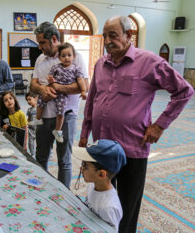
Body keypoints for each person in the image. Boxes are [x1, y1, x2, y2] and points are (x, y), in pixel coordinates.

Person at [79, 15, 194, 233]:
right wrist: (85, 131)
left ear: (129, 35)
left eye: (113, 35)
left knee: (128, 203)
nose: (107, 41)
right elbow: (92, 99)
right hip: (102, 147)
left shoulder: (150, 62)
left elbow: (184, 92)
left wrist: (159, 125)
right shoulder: (101, 64)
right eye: (105, 36)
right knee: (102, 199)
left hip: (132, 146)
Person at [30, 22, 89, 188]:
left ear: (54, 39)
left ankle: (64, 196)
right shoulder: (40, 59)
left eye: (42, 42)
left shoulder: (74, 57)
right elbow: (32, 86)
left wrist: (56, 87)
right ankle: (42, 189)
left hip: (66, 116)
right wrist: (42, 90)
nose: (40, 47)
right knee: (41, 157)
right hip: (43, 116)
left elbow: (84, 85)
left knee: (64, 160)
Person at [36, 42, 87, 143]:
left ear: (74, 56)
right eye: (63, 56)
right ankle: (38, 118)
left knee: (61, 111)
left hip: (63, 94)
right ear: (59, 57)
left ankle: (57, 130)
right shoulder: (56, 67)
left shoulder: (76, 68)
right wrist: (50, 80)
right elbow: (50, 78)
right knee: (41, 100)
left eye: (69, 55)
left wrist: (83, 91)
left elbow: (81, 80)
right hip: (53, 90)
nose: (66, 58)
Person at [73, 139, 126, 231]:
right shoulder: (92, 186)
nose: (81, 168)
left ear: (101, 174)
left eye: (85, 165)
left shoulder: (109, 208)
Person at [25, 92, 38, 157]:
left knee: (40, 142)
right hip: (31, 129)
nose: (28, 101)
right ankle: (32, 154)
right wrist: (27, 124)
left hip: (38, 129)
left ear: (35, 99)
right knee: (30, 143)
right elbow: (29, 119)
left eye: (29, 99)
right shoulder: (29, 110)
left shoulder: (40, 108)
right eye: (27, 100)